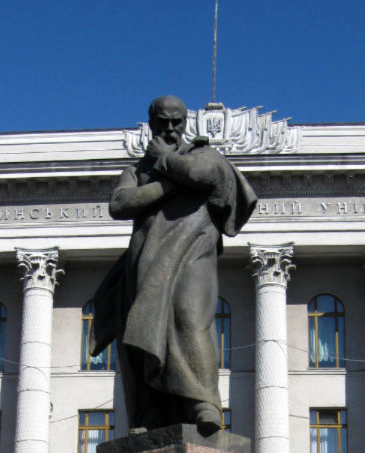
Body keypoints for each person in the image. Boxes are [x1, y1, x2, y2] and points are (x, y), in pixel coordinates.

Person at [91, 95, 257, 435]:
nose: (169, 128)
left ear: (186, 123)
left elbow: (202, 174)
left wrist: (164, 163)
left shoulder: (201, 153)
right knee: (142, 334)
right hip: (146, 263)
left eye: (176, 121)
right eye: (162, 122)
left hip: (192, 255)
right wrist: (169, 185)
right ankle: (148, 415)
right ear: (151, 124)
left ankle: (204, 404)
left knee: (191, 319)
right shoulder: (137, 170)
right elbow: (120, 204)